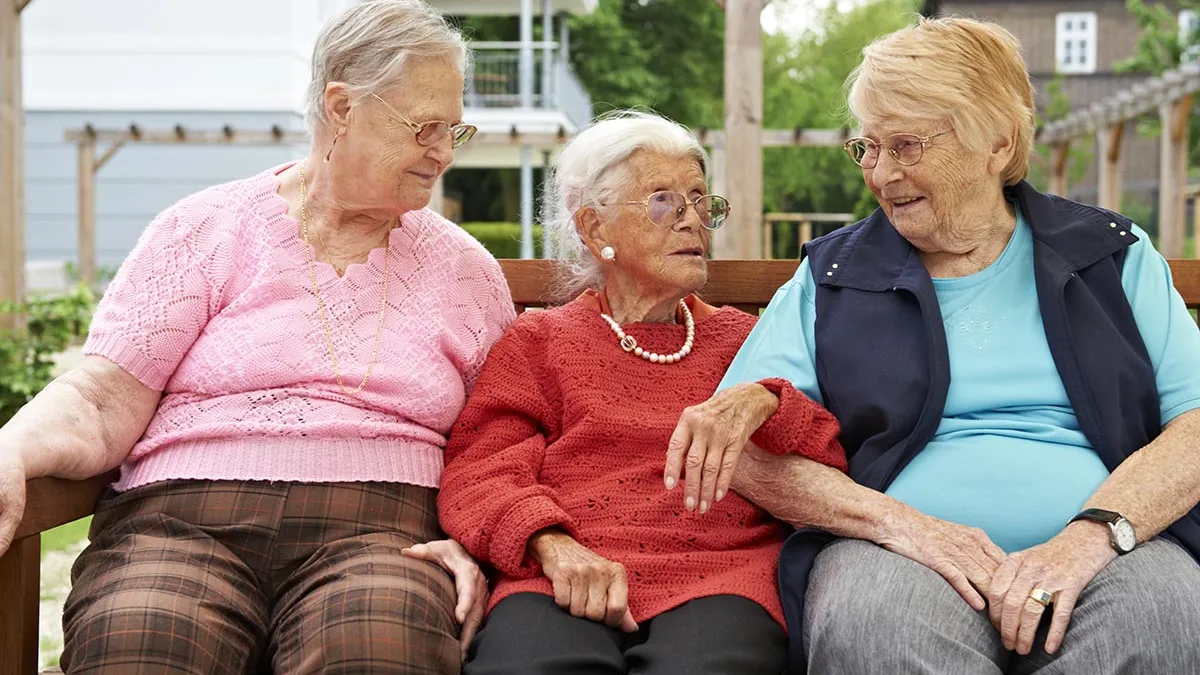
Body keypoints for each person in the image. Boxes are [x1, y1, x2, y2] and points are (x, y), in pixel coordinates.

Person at [0, 2, 515, 672]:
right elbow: (102, 396)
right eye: (425, 127)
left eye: (455, 130)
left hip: (383, 534)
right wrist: (11, 447)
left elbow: (501, 441)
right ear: (342, 107)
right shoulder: (204, 229)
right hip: (179, 520)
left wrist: (472, 541)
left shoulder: (465, 273)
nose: (444, 152)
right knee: (140, 641)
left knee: (377, 649)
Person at [685, 16, 1200, 675]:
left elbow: (1194, 425)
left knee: (1164, 615)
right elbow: (745, 452)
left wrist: (1091, 535)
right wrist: (908, 528)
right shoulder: (835, 276)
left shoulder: (1111, 256)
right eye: (867, 147)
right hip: (898, 556)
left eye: (905, 145)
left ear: (997, 142)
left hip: (1104, 550)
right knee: (873, 629)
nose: (880, 173)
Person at [436, 111, 848, 675]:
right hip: (565, 571)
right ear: (594, 228)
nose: (692, 222)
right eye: (664, 201)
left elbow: (826, 457)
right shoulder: (540, 342)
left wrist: (768, 401)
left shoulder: (743, 340)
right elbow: (480, 470)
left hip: (720, 576)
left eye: (701, 202)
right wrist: (550, 544)